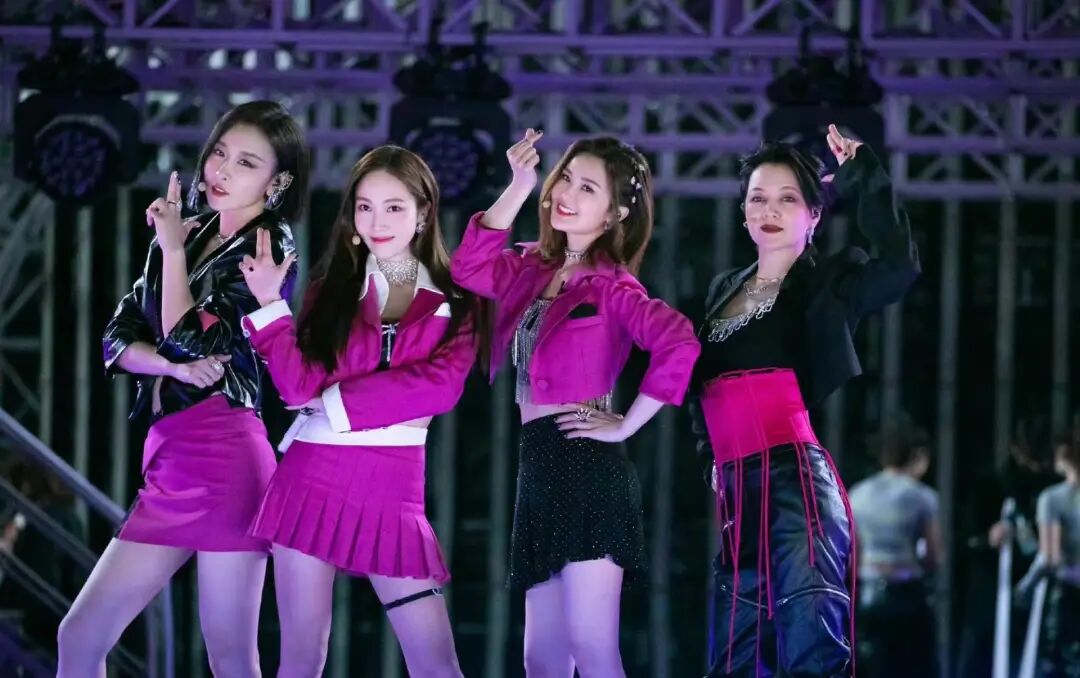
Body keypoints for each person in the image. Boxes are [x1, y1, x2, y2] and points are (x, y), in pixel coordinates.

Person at [58, 100, 308, 677]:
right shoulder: (186, 234)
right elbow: (117, 339)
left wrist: (171, 253)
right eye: (219, 152)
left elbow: (191, 338)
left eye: (246, 163)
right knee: (81, 636)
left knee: (231, 659)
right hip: (171, 456)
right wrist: (168, 368)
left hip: (224, 452)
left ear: (277, 182)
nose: (221, 170)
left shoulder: (268, 246)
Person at [450, 130, 700, 676]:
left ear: (615, 214)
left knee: (591, 645)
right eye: (566, 178)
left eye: (588, 188)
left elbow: (679, 342)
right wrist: (519, 185)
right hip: (538, 464)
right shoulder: (530, 267)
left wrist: (627, 423)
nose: (566, 192)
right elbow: (467, 268)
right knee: (541, 658)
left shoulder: (613, 286)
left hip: (587, 465)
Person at [239, 146, 481, 677]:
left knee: (438, 664)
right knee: (302, 659)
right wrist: (271, 305)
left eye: (394, 207)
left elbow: (441, 389)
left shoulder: (457, 300)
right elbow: (295, 385)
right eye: (365, 207)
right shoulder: (331, 291)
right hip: (309, 479)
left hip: (392, 486)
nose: (377, 222)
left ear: (423, 213)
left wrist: (333, 401)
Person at [690, 125, 920, 676]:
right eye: (757, 198)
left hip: (793, 480)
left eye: (788, 199)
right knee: (733, 656)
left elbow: (899, 265)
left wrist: (865, 175)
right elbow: (701, 386)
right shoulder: (723, 288)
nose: (769, 210)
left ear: (814, 215)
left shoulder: (829, 282)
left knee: (811, 646)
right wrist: (710, 462)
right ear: (743, 212)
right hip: (737, 488)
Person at [849, 425, 940, 677]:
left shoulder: (857, 493)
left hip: (868, 593)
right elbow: (933, 554)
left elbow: (852, 553)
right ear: (918, 456)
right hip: (907, 593)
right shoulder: (923, 497)